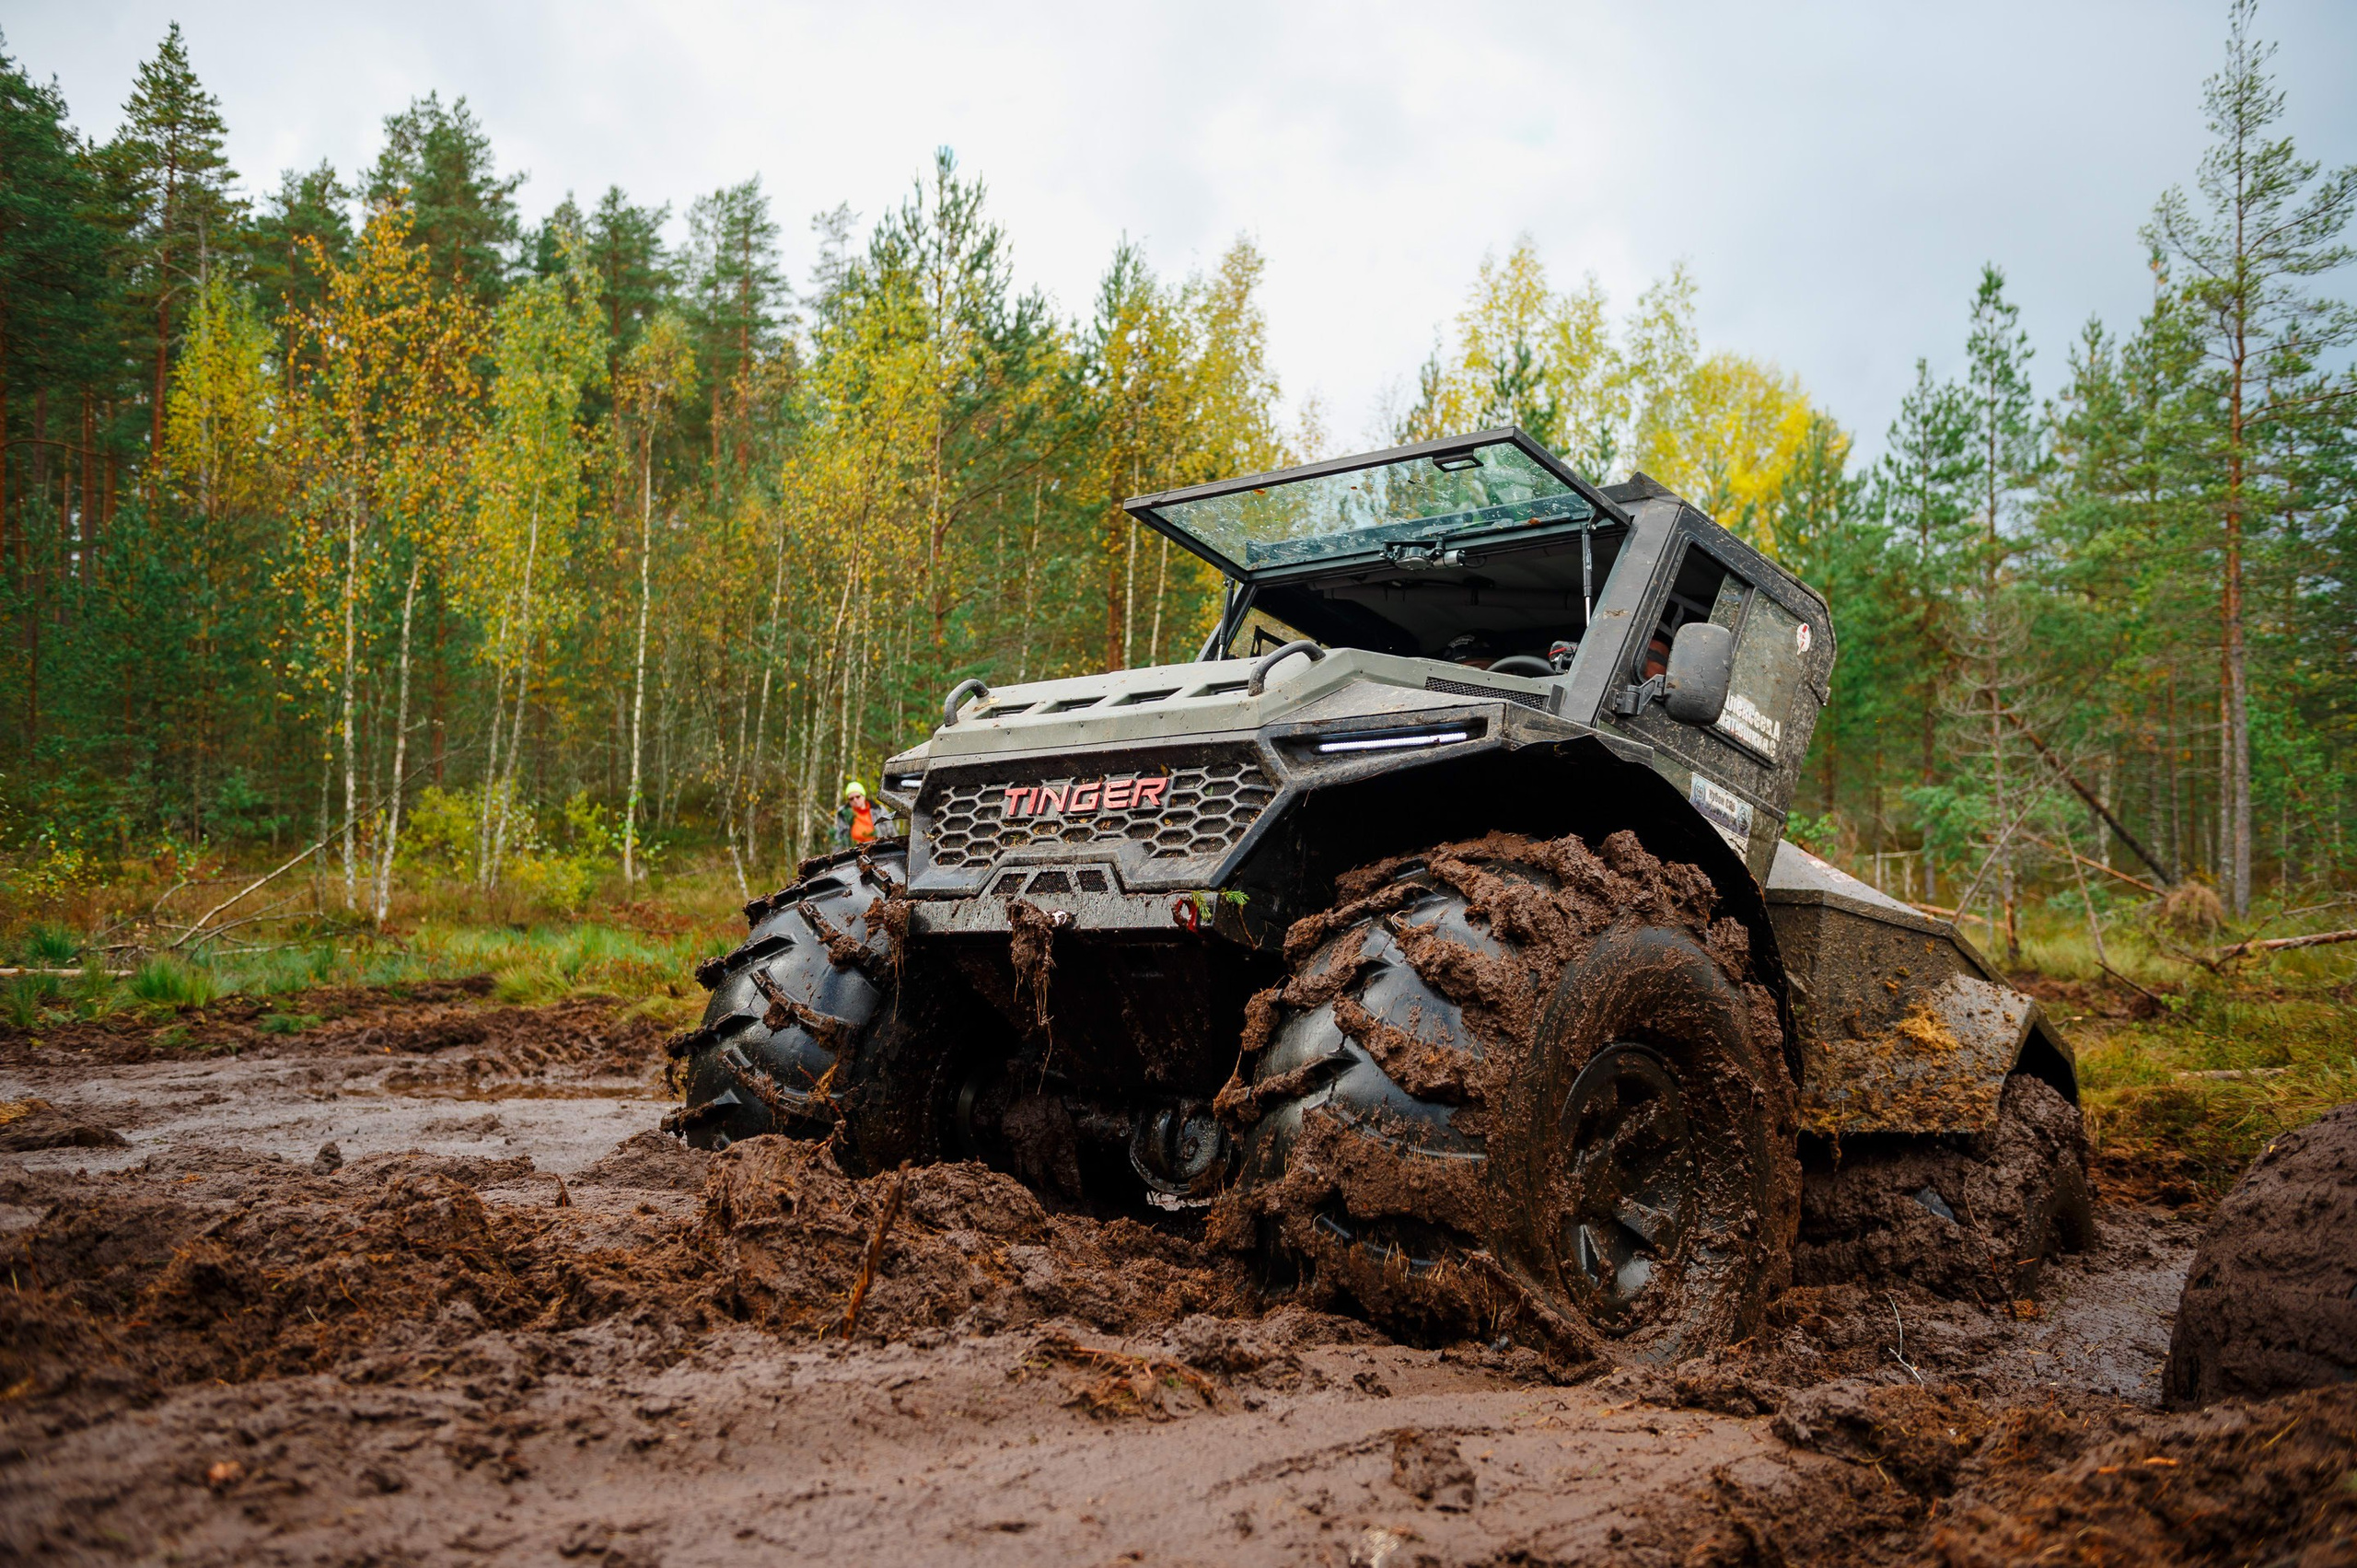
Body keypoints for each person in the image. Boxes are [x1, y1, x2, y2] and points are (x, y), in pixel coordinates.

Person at [831, 780, 896, 848]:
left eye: (858, 797)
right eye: (851, 799)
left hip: (879, 850)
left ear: (864, 796)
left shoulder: (879, 810)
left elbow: (891, 832)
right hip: (853, 853)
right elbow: (838, 840)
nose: (855, 800)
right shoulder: (843, 814)